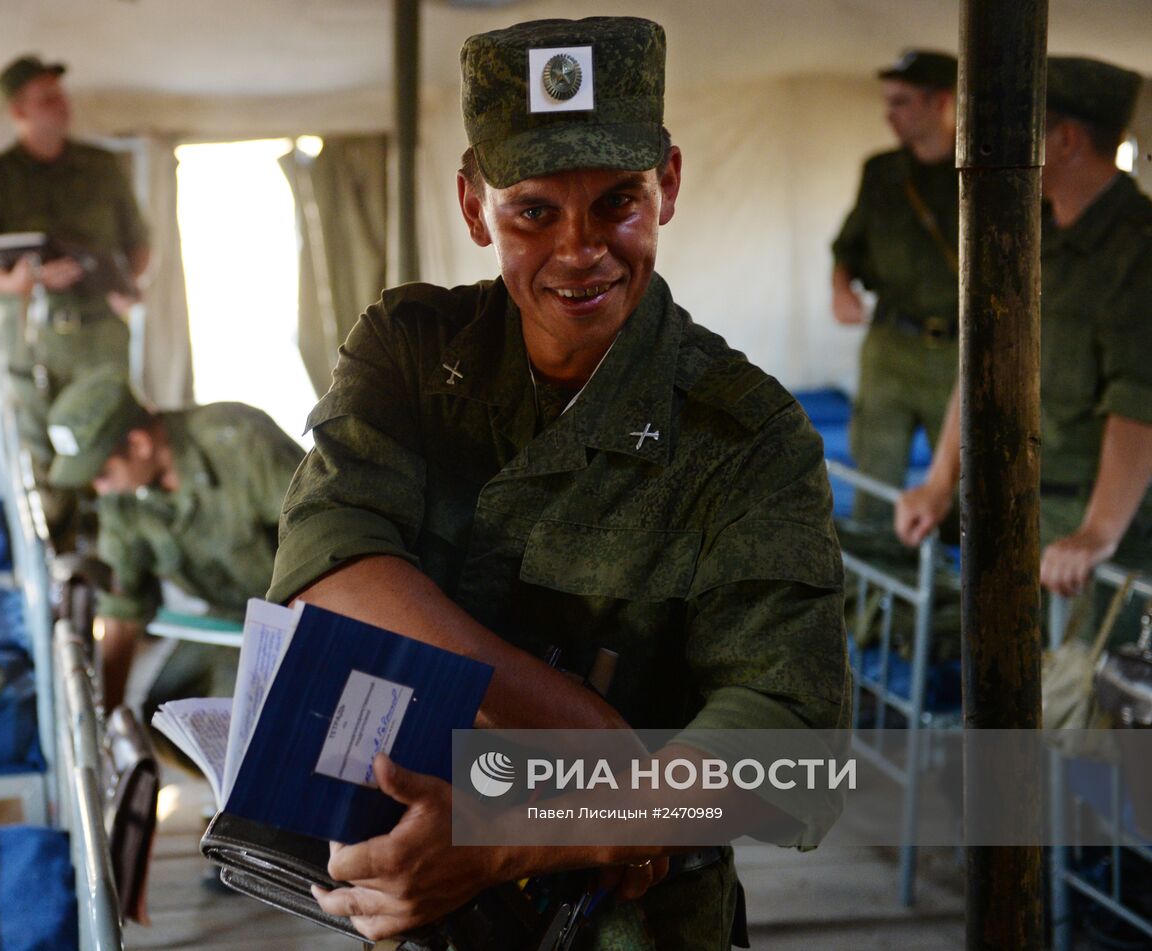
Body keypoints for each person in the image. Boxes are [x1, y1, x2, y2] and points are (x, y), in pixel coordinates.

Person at [268, 17, 849, 949]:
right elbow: (330, 565)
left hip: (634, 924)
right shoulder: (411, 353)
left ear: (669, 185)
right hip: (411, 903)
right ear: (472, 206)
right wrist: (584, 728)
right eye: (534, 211)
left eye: (618, 201)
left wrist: (509, 833)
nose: (581, 250)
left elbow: (788, 748)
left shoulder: (747, 436)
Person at [895, 56, 1152, 601]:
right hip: (1019, 497)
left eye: (1019, 130)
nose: (1002, 145)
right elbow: (981, 362)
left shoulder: (1138, 249)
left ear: (1066, 140)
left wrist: (1097, 534)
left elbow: (1140, 402)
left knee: (1081, 681)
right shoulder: (1031, 231)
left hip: (1096, 521)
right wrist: (940, 484)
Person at [0, 54, 150, 536]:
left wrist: (127, 287)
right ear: (19, 112)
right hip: (35, 340)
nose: (61, 106)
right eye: (47, 99)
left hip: (101, 334)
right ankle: (65, 562)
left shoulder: (101, 166)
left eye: (60, 95)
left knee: (114, 440)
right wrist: (16, 282)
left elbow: (139, 243)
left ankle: (123, 555)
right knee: (48, 453)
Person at [46, 372, 304, 712]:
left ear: (139, 444)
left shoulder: (240, 442)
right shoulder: (122, 503)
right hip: (233, 619)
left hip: (305, 614)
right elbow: (123, 611)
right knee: (163, 712)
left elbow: (327, 534)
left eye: (102, 474)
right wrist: (103, 722)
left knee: (250, 727)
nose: (100, 489)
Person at [831, 50, 959, 521]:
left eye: (902, 101)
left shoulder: (985, 176)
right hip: (890, 344)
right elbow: (847, 246)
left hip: (959, 352)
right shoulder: (882, 173)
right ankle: (878, 589)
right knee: (874, 476)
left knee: (964, 484)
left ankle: (954, 590)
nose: (890, 114)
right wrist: (840, 288)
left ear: (941, 100)